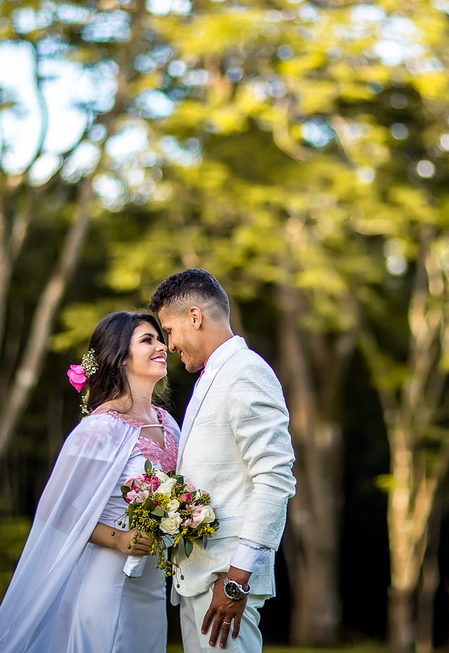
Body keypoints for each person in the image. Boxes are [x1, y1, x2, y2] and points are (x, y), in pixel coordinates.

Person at [0, 311, 179, 653]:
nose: (162, 346)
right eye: (148, 340)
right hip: (108, 583)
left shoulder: (168, 423)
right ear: (120, 356)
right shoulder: (99, 429)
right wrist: (119, 539)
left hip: (152, 585)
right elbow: (57, 509)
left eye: (159, 338)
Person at [149, 269, 297, 653]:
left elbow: (275, 478)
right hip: (199, 578)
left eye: (168, 330)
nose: (169, 344)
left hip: (226, 579)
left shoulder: (246, 372)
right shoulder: (213, 376)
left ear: (195, 317)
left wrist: (236, 580)